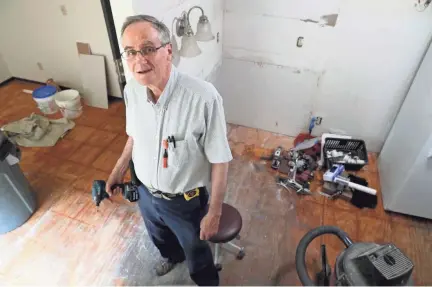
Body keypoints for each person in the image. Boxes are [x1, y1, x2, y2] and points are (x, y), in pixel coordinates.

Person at [106, 15, 232, 286]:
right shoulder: (132, 91)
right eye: (130, 52)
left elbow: (220, 160)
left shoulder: (203, 98)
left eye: (148, 48)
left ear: (168, 52)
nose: (139, 59)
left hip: (185, 203)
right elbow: (133, 136)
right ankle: (172, 257)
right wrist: (117, 171)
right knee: (160, 237)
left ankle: (206, 281)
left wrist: (215, 212)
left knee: (198, 253)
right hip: (145, 194)